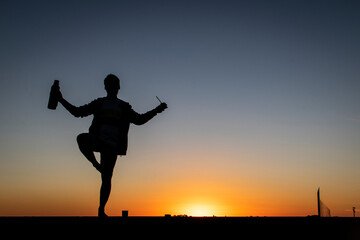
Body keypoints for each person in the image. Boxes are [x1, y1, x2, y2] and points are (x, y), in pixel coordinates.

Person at [57, 74, 167, 217]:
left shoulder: (124, 106)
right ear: (106, 87)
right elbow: (78, 112)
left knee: (107, 179)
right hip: (97, 141)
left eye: (114, 84)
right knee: (81, 139)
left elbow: (139, 120)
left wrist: (156, 111)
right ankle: (96, 165)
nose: (112, 87)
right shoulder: (99, 103)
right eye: (110, 84)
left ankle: (101, 209)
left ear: (118, 87)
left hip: (112, 147)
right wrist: (60, 100)